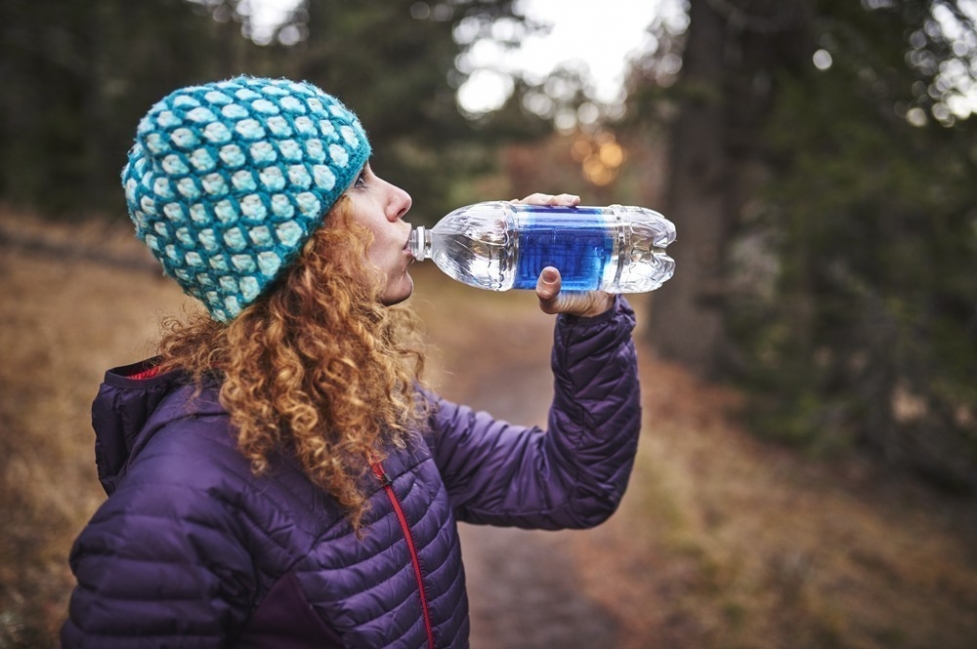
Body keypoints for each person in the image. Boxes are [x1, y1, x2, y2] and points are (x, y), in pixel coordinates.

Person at [61, 75, 641, 649]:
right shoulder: (177, 503)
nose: (400, 198)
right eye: (359, 182)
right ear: (296, 240)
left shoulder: (368, 403)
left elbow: (569, 483)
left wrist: (591, 320)